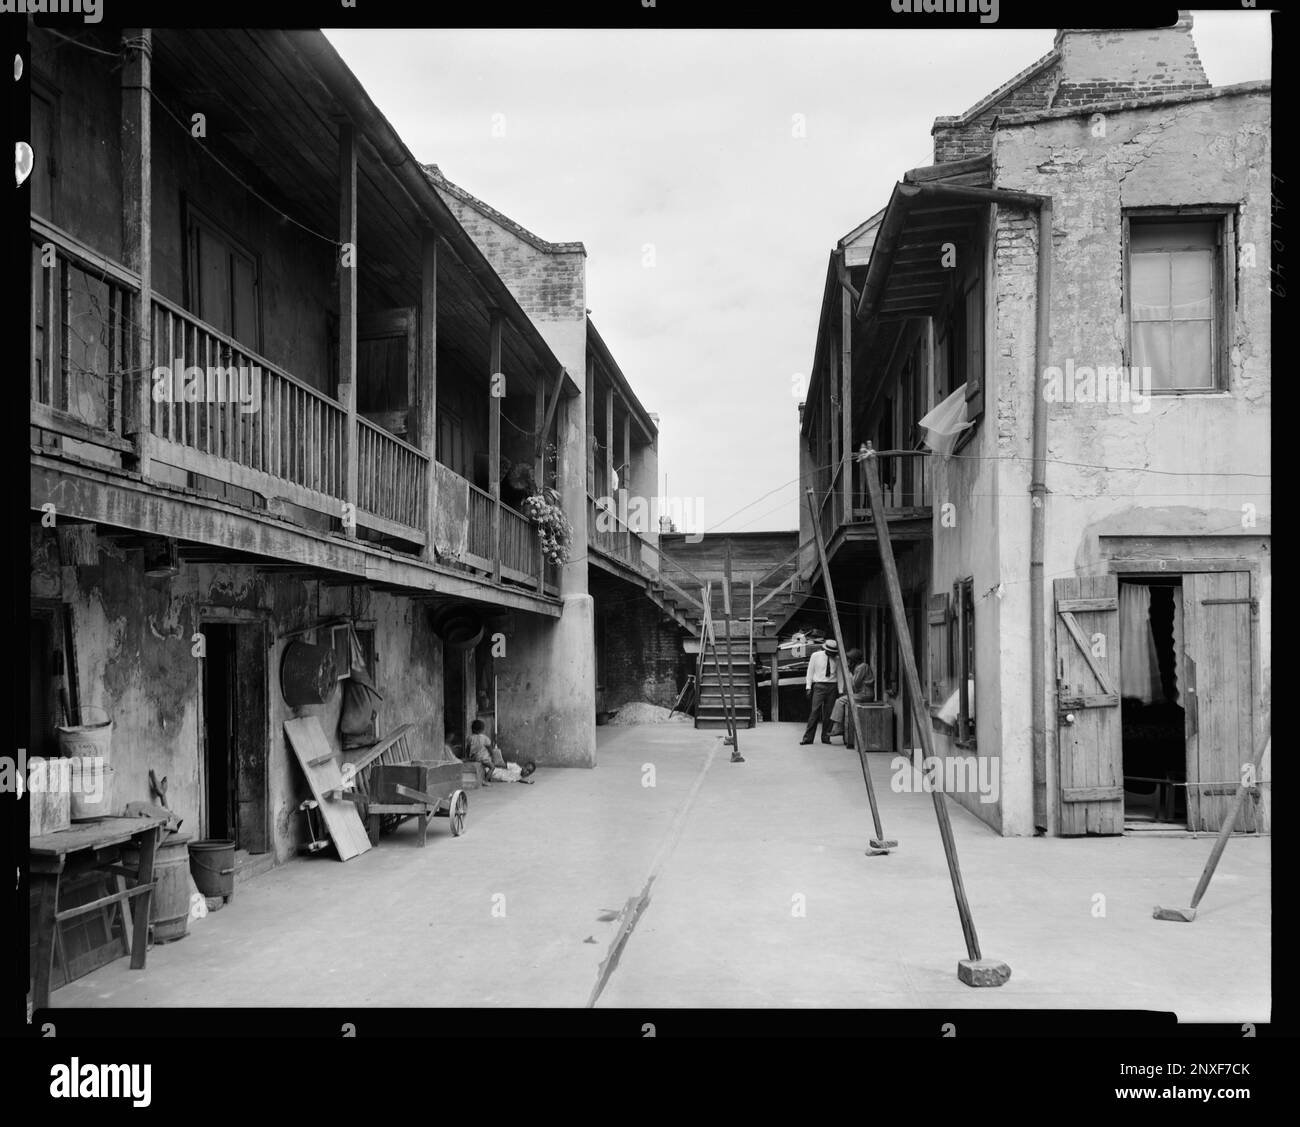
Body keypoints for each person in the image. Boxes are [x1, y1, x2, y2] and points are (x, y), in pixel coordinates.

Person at [465, 719, 536, 784]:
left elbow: (518, 779)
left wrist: (527, 782)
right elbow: (498, 761)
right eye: (526, 769)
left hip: (475, 758)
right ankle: (485, 781)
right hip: (494, 771)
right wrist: (492, 760)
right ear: (523, 766)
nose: (526, 772)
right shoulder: (515, 767)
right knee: (491, 768)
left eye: (529, 772)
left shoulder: (469, 738)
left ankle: (487, 777)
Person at [801, 638, 843, 745]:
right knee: (815, 712)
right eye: (830, 652)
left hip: (832, 686)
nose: (831, 654)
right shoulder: (816, 656)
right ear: (825, 650)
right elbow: (810, 671)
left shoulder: (837, 659)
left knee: (829, 713)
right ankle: (808, 738)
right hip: (819, 685)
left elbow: (839, 675)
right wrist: (808, 686)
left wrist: (840, 690)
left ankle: (826, 737)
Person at [829, 648, 874, 746]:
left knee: (840, 701)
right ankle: (838, 727)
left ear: (854, 660)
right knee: (842, 700)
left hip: (864, 695)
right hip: (862, 694)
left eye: (850, 660)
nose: (848, 662)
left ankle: (838, 727)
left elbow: (855, 685)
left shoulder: (862, 667)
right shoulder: (859, 667)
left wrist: (849, 674)